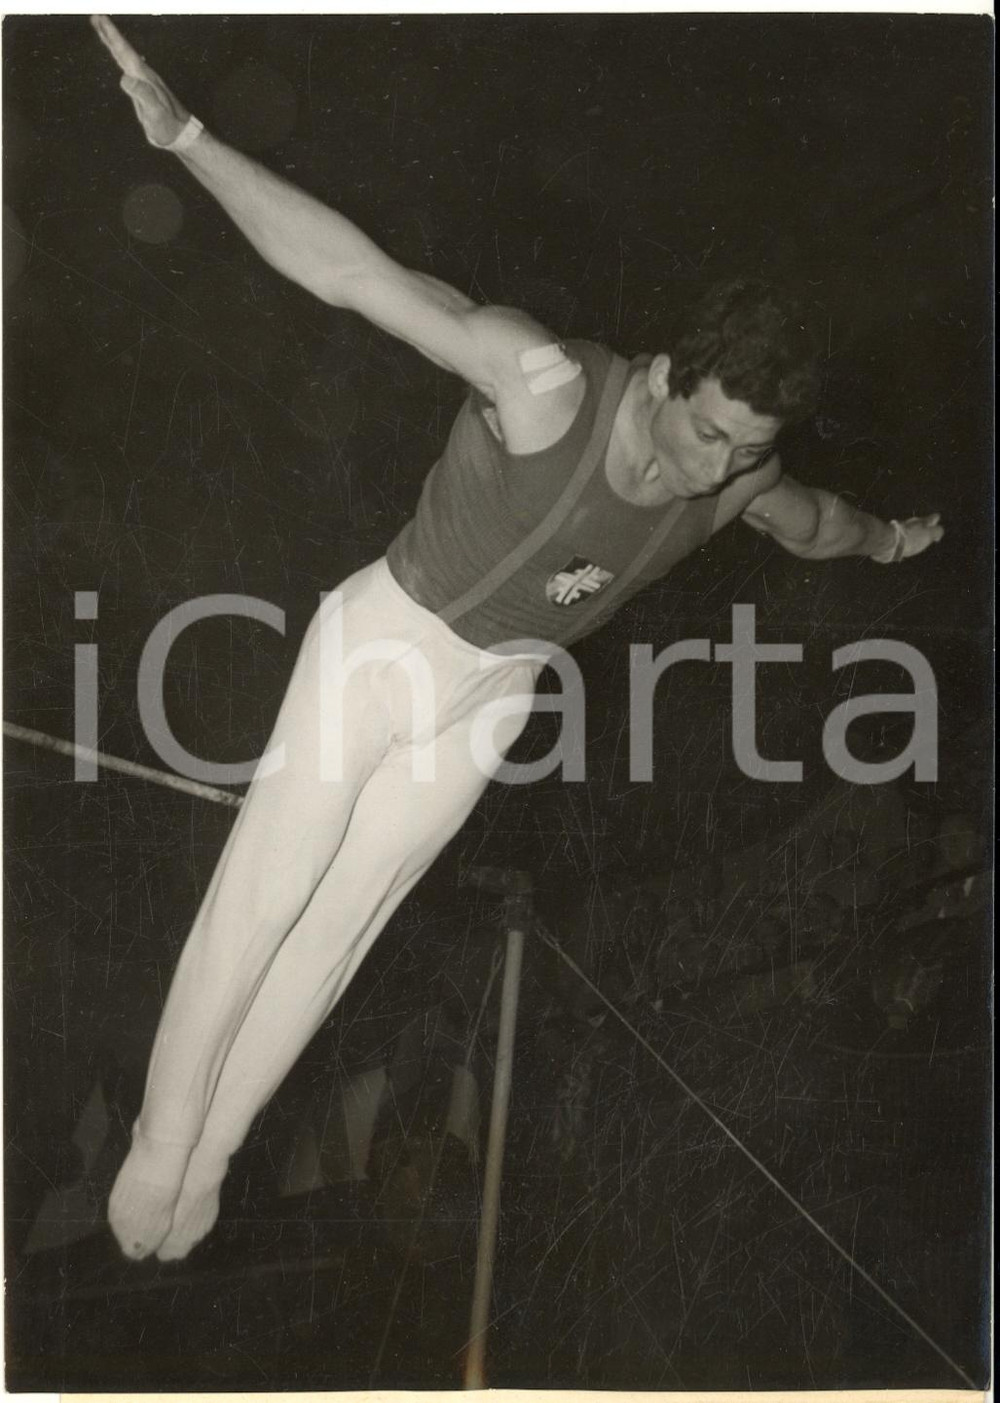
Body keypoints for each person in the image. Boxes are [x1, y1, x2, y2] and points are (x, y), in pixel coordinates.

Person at [91, 15, 943, 1263]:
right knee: (266, 899)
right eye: (701, 431)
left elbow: (814, 522)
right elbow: (352, 271)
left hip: (491, 693)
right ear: (660, 373)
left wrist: (885, 544)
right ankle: (162, 1144)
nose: (707, 467)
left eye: (740, 450)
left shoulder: (739, 477)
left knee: (344, 925)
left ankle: (213, 1152)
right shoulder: (543, 383)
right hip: (383, 644)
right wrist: (195, 142)